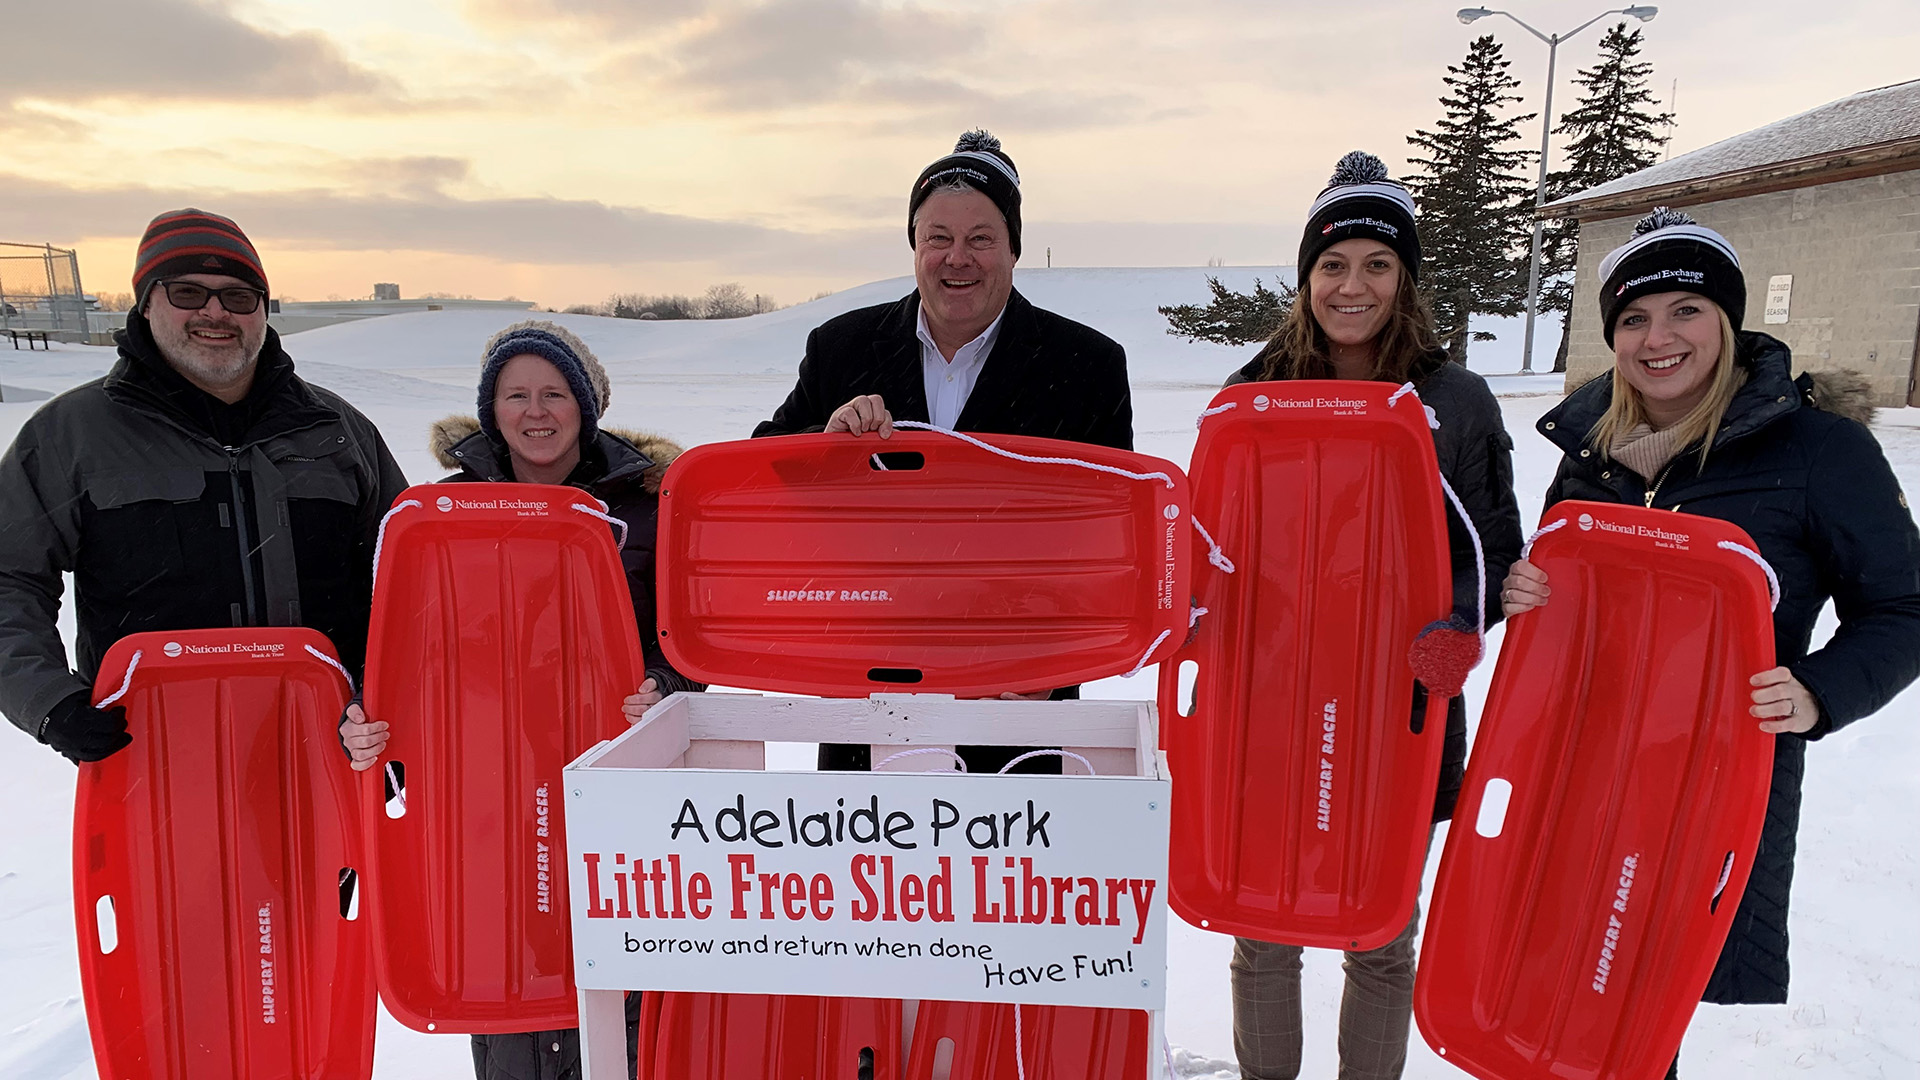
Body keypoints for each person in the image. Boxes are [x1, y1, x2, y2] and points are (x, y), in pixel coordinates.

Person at [1500, 208, 1920, 1079]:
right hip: (1580, 764)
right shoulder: (1592, 448)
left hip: (1711, 775)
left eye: (1685, 309)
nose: (1658, 338)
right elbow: (1567, 585)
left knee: (1645, 1003)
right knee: (1558, 984)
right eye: (1633, 318)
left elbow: (1904, 607)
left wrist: (1819, 690)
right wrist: (1529, 592)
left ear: (1728, 320)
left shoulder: (1818, 450)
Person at [1223, 152, 1524, 1080]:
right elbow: (1220, 539)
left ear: (1406, 279)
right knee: (1264, 928)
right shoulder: (1254, 388)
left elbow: (1495, 546)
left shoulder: (1456, 399)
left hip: (1402, 700)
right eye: (1332, 265)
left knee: (1380, 933)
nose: (1352, 287)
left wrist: (1461, 628)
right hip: (1277, 695)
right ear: (1306, 277)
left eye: (1376, 265)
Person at [338, 320, 700, 1080]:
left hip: (617, 782)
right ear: (491, 408)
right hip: (485, 785)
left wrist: (662, 686)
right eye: (516, 395)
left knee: (616, 969)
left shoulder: (647, 509)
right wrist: (375, 720)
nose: (537, 412)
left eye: (555, 393)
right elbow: (405, 643)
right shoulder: (441, 515)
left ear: (586, 405)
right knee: (501, 953)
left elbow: (689, 637)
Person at [754, 129, 1134, 773]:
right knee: (867, 868)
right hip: (872, 690)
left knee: (1011, 874)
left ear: (1013, 249)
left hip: (1019, 693)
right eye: (939, 238)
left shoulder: (1086, 364)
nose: (958, 258)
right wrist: (825, 448)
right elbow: (763, 483)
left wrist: (1057, 661)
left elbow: (1112, 537)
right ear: (914, 246)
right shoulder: (842, 349)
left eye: (981, 238)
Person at [0, 208, 408, 759]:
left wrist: (396, 703)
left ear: (263, 312)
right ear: (146, 304)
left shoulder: (335, 431)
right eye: (188, 292)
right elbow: (9, 577)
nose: (215, 312)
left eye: (239, 297)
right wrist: (49, 700)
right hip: (154, 755)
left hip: (331, 747)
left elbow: (407, 585)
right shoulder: (71, 436)